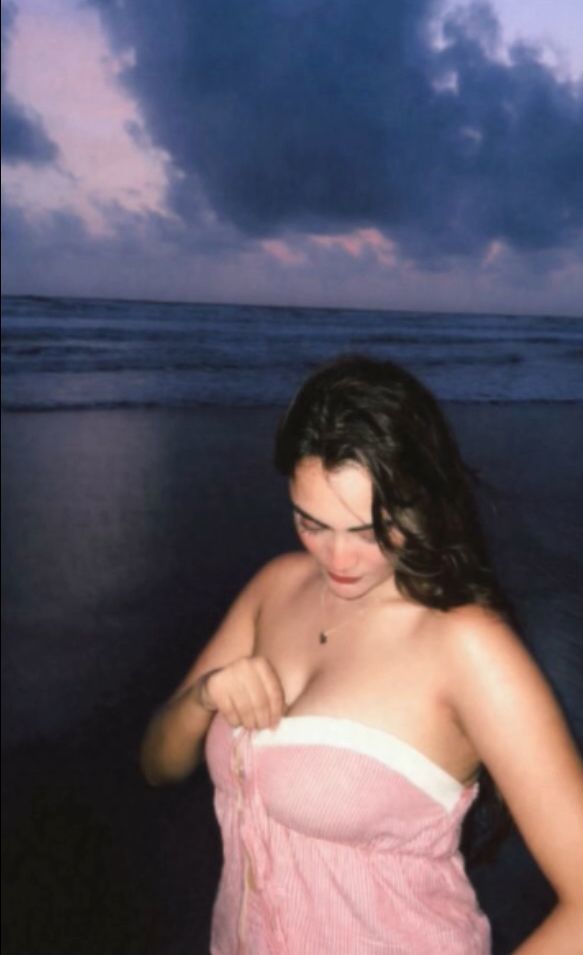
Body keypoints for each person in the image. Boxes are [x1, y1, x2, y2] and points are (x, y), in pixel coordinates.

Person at [140, 355, 583, 955]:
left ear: (420, 501)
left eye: (370, 531)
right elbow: (157, 765)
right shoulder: (275, 587)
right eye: (312, 523)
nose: (338, 559)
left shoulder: (467, 646)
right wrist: (204, 695)